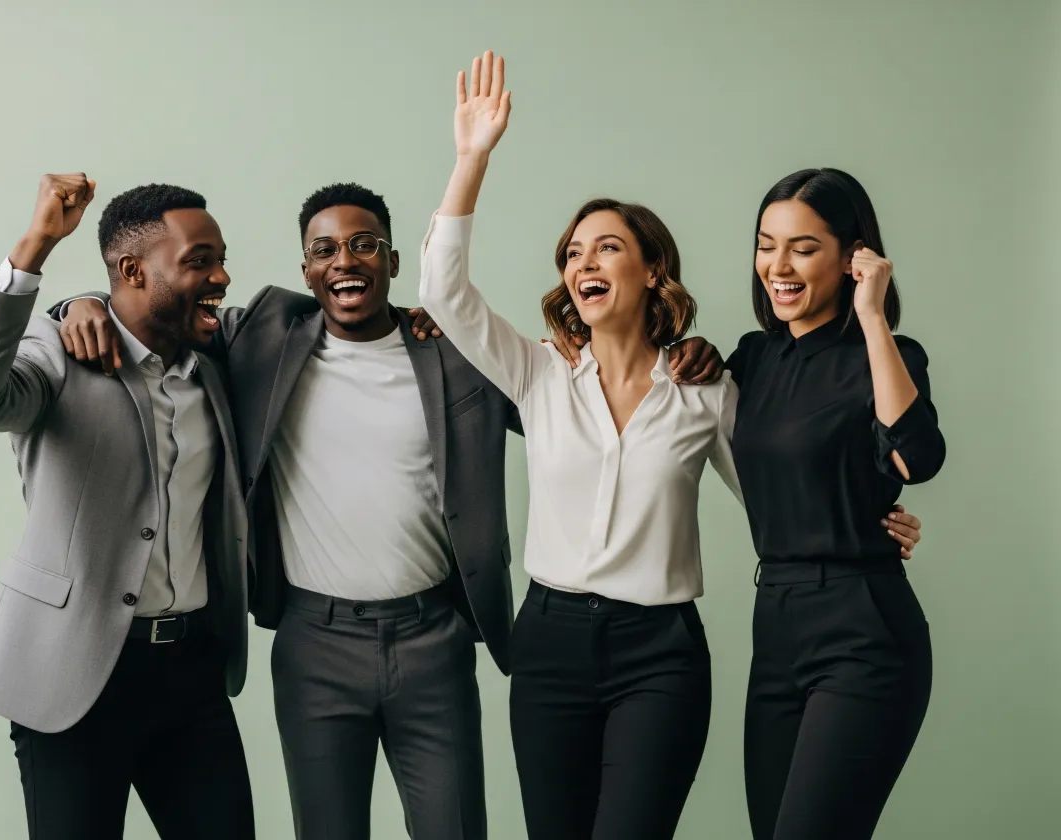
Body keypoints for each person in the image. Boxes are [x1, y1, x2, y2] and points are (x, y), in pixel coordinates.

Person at [51, 182, 719, 838]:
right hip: (315, 643)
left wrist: (682, 356)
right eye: (325, 250)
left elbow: (589, 404)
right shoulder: (261, 337)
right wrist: (77, 303)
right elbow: (152, 311)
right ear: (307, 270)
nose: (345, 260)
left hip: (434, 637)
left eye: (366, 244)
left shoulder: (458, 355)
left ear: (395, 263)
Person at [418, 52, 925, 840]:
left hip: (660, 655)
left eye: (608, 248)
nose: (585, 262)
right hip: (547, 643)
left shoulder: (708, 389)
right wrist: (470, 159)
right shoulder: (538, 373)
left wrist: (868, 523)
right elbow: (442, 292)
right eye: (574, 253)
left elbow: (783, 486)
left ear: (653, 270)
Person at [0, 175, 255, 839]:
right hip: (72, 674)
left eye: (221, 258)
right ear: (134, 271)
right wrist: (38, 248)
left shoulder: (213, 358)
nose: (220, 276)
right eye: (199, 261)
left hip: (192, 672)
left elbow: (303, 317)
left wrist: (417, 321)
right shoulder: (57, 353)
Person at [727, 168, 944, 840]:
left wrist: (873, 315)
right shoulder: (752, 360)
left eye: (803, 247)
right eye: (767, 244)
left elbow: (917, 458)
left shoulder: (887, 354)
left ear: (853, 256)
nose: (778, 266)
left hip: (863, 629)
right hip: (777, 625)